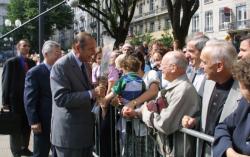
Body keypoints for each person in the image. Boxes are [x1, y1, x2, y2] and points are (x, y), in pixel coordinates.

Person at [127, 51, 200, 156]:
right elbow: (154, 106)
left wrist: (144, 112)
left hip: (177, 152)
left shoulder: (183, 89)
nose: (160, 69)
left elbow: (164, 124)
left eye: (163, 66)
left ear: (173, 68)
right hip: (168, 149)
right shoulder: (174, 87)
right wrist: (136, 112)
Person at [182, 40, 242, 157]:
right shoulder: (208, 83)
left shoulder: (243, 91)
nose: (200, 66)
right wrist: (194, 121)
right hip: (204, 151)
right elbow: (208, 118)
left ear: (219, 66)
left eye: (204, 62)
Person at [50, 32, 106, 157]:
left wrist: (98, 90)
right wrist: (92, 93)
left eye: (94, 48)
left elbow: (86, 91)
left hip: (84, 135)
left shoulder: (86, 64)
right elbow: (61, 99)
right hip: (69, 137)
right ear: (77, 48)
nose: (93, 52)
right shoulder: (61, 66)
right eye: (90, 49)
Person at [24, 40, 61, 157]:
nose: (59, 55)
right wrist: (34, 121)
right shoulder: (34, 72)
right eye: (56, 53)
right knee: (41, 152)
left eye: (60, 53)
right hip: (43, 121)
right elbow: (29, 99)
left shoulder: (61, 70)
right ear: (46, 54)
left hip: (59, 120)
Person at [2, 39, 36, 157]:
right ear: (18, 47)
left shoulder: (31, 63)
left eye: (28, 46)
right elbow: (6, 83)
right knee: (15, 127)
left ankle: (24, 148)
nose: (27, 48)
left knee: (27, 126)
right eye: (24, 46)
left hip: (28, 101)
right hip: (15, 101)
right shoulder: (11, 62)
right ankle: (16, 152)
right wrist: (5, 102)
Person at [213, 58, 250, 157]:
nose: (240, 92)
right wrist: (230, 152)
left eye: (241, 86)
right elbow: (222, 127)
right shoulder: (245, 103)